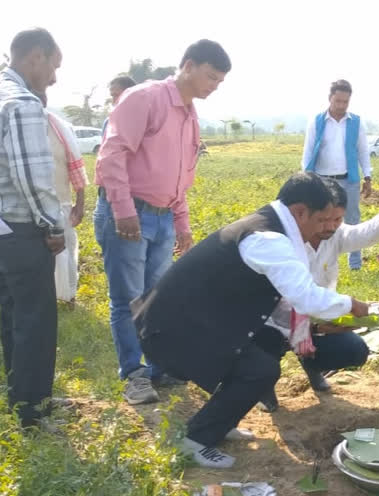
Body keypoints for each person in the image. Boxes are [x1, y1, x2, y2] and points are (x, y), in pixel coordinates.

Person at [131, 173, 370, 468]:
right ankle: (194, 441)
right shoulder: (268, 239)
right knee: (260, 369)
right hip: (172, 330)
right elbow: (305, 297)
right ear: (299, 212)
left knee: (268, 344)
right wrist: (356, 306)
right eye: (322, 220)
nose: (325, 230)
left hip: (200, 322)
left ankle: (220, 421)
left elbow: (280, 306)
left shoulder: (271, 228)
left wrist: (317, 326)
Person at [94, 39, 231, 405]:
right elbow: (112, 154)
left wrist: (182, 223)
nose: (213, 86)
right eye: (209, 76)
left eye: (219, 81)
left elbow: (181, 176)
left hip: (162, 218)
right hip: (130, 215)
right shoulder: (145, 99)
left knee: (159, 298)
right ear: (188, 65)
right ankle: (134, 375)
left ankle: (159, 368)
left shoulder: (190, 115)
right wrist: (122, 209)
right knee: (128, 298)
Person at [255, 179, 379, 412]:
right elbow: (293, 298)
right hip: (275, 319)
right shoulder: (279, 241)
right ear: (306, 214)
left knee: (353, 350)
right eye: (323, 220)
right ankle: (264, 385)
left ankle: (313, 366)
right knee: (267, 344)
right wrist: (345, 306)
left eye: (337, 220)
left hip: (317, 317)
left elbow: (364, 234)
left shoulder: (334, 235)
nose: (330, 226)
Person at [0, 28, 64, 428]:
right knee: (36, 322)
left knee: (13, 318)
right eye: (54, 66)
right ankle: (34, 413)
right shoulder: (21, 103)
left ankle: (19, 399)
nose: (54, 78)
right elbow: (32, 176)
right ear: (35, 57)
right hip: (22, 229)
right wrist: (52, 224)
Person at [302, 79, 373, 270]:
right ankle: (317, 261)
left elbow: (363, 151)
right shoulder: (317, 121)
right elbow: (308, 151)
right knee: (320, 221)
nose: (341, 106)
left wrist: (367, 176)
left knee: (352, 220)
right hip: (321, 180)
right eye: (338, 101)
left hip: (348, 180)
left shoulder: (356, 122)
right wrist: (305, 178)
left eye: (345, 102)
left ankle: (355, 264)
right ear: (330, 99)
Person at [35, 91, 88, 303]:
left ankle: (69, 296)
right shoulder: (10, 124)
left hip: (60, 202)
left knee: (65, 250)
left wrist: (80, 204)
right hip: (26, 207)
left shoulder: (60, 128)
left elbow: (75, 166)